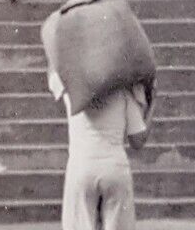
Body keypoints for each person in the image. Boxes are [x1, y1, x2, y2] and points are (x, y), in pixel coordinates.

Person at [49, 63, 149, 230]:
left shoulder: (72, 89)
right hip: (115, 169)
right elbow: (137, 140)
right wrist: (150, 107)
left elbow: (53, 71)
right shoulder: (123, 92)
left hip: (81, 168)